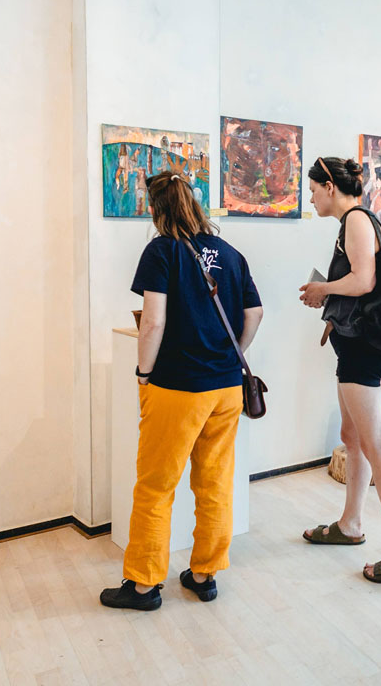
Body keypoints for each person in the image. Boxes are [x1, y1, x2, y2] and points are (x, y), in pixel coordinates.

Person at [100, 172, 263, 611]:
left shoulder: (162, 251)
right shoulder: (230, 254)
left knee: (156, 486)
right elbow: (255, 312)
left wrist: (143, 373)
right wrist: (229, 353)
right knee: (215, 484)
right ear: (194, 203)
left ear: (156, 209)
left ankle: (143, 586)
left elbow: (153, 321)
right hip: (225, 388)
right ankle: (205, 575)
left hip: (177, 387)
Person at [298, 157, 381, 583]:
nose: (311, 198)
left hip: (362, 351)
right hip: (355, 347)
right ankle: (350, 523)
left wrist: (323, 289)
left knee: (375, 446)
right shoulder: (355, 221)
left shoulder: (355, 219)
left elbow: (363, 281)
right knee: (352, 437)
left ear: (330, 186)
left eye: (313, 190)